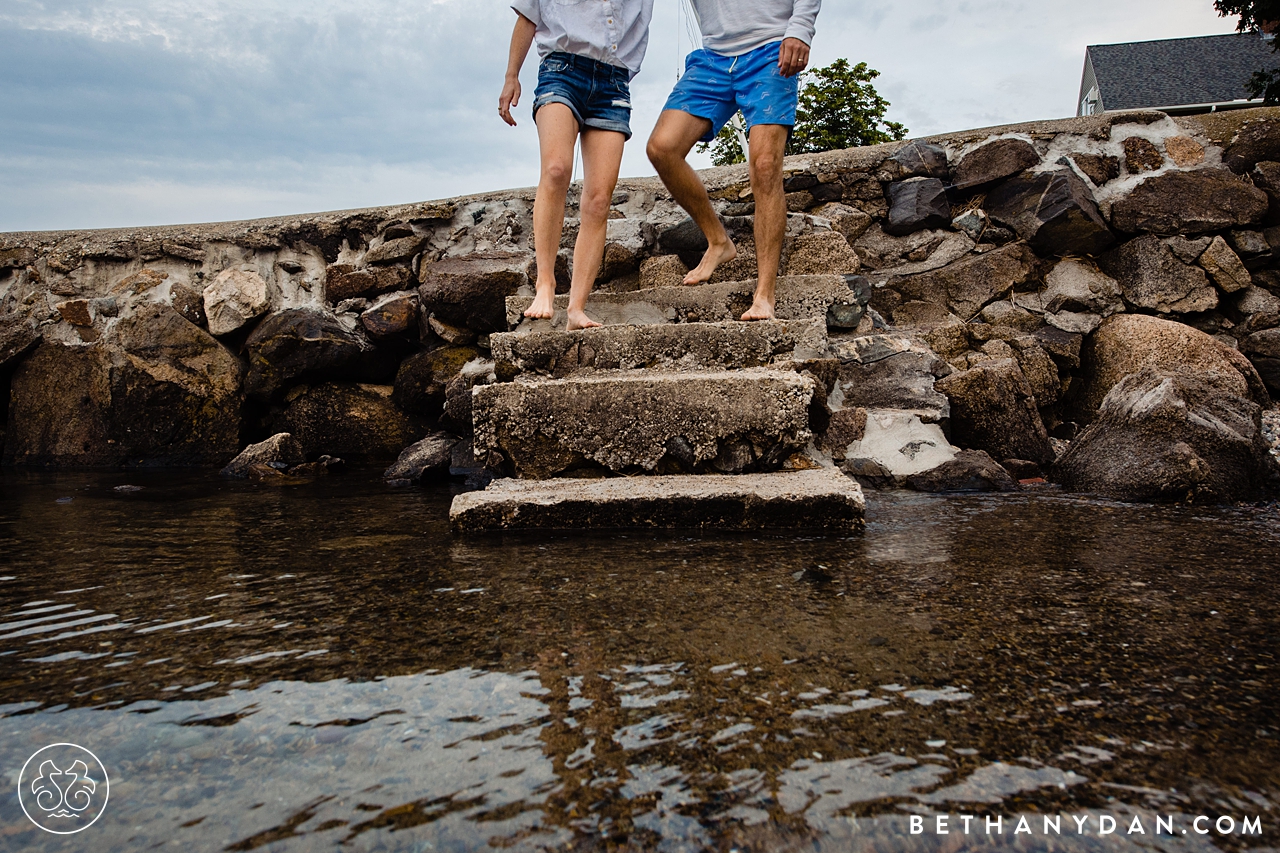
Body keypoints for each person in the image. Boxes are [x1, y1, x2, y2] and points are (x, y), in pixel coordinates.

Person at [647, 0, 821, 321]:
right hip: (713, 58)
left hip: (771, 48)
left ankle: (764, 295)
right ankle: (718, 241)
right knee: (662, 147)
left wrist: (800, 29)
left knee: (765, 165)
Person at [500, 0, 655, 331]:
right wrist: (511, 75)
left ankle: (576, 308)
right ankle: (545, 284)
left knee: (599, 199)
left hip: (613, 80)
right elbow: (529, 14)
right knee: (556, 169)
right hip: (561, 69)